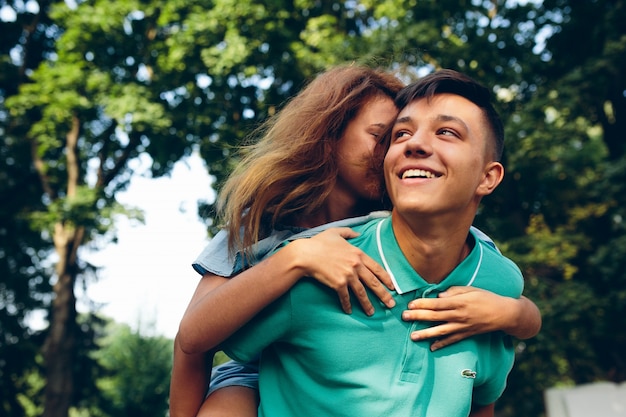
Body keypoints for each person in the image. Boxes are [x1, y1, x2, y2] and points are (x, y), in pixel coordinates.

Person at [170, 66, 541, 417]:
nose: (404, 148)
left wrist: (516, 315)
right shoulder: (263, 223)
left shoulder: (402, 216)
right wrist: (295, 258)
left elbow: (500, 286)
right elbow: (192, 341)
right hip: (251, 368)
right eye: (388, 137)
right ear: (328, 138)